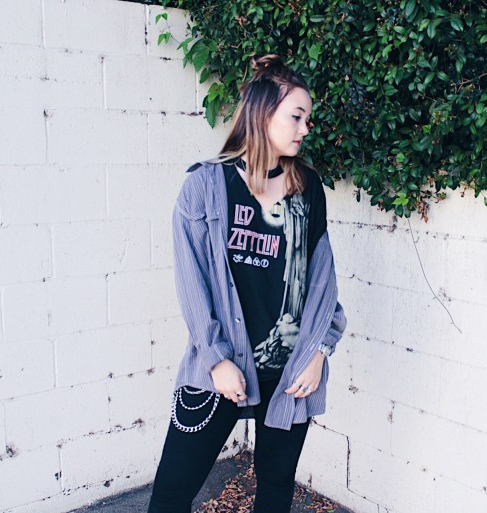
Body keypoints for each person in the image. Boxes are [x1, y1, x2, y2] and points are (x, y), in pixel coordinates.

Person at [147, 54, 347, 513]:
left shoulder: (307, 187)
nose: (305, 128)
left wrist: (319, 351)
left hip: (289, 370)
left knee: (275, 488)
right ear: (263, 113)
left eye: (308, 119)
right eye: (297, 116)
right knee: (172, 491)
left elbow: (323, 281)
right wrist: (216, 359)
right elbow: (191, 282)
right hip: (222, 366)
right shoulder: (205, 185)